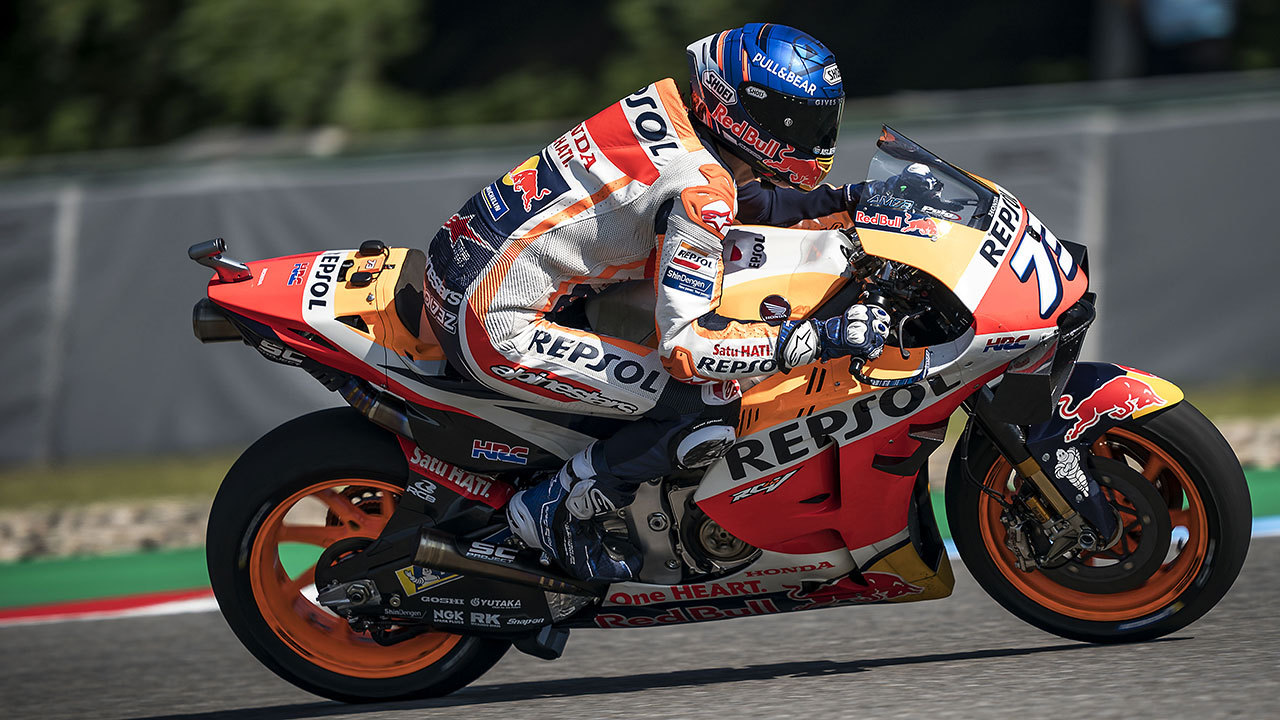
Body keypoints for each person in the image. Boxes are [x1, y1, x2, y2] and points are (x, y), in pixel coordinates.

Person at [421, 23, 889, 582]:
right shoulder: (698, 187)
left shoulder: (666, 108)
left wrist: (856, 201)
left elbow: (751, 198)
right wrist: (815, 338)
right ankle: (554, 506)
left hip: (467, 262)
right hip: (494, 320)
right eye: (799, 121)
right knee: (708, 404)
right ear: (751, 114)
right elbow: (688, 349)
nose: (815, 137)